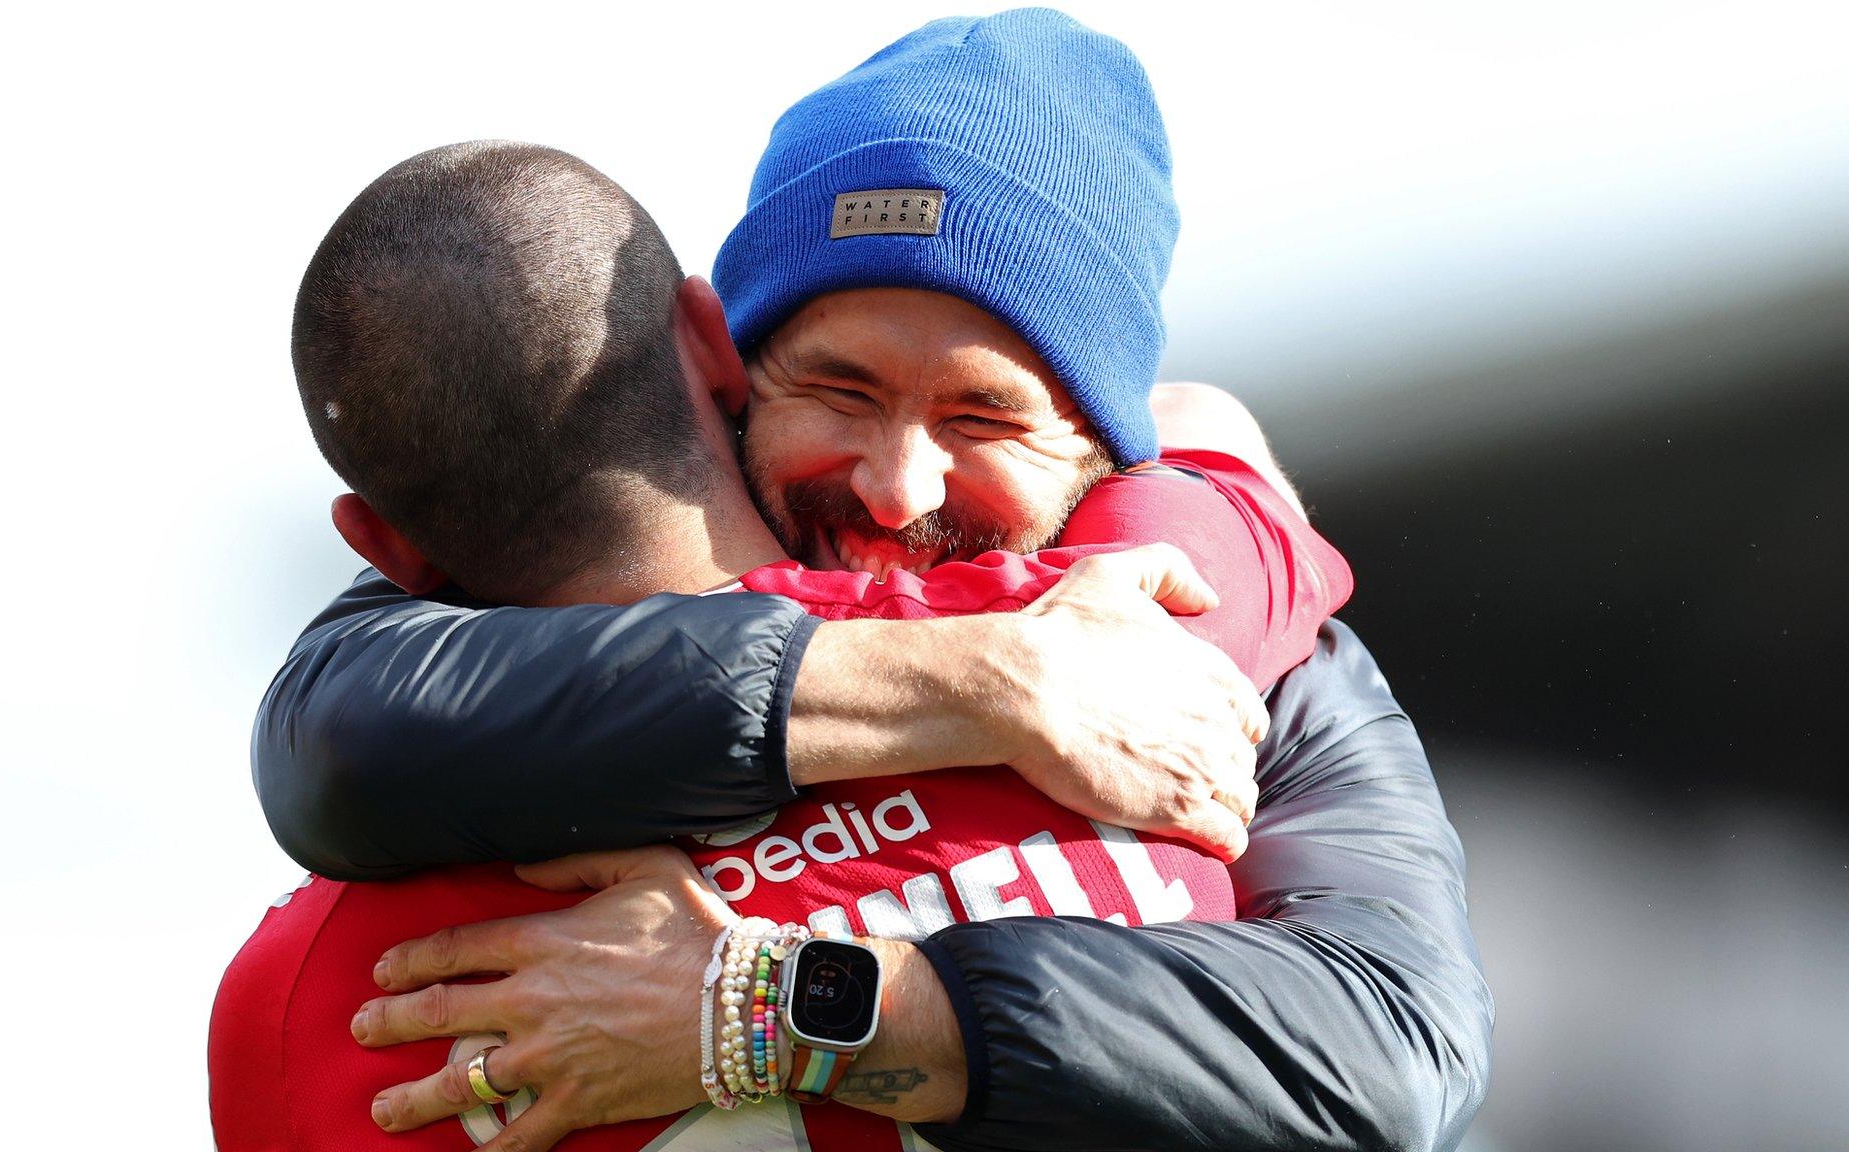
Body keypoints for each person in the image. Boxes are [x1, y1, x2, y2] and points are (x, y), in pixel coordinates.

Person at [241, 11, 1491, 1152]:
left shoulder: (1239, 654)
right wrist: (983, 675)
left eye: (982, 418)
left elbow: (1392, 1058)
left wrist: (781, 1003)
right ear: (723, 371)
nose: (898, 488)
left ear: (1108, 443)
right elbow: (332, 734)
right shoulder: (440, 683)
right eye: (837, 389)